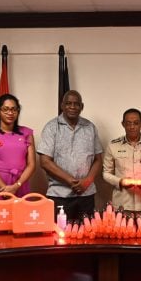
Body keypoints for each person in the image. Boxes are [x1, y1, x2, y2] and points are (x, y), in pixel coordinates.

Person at [37, 90, 103, 221]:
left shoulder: (90, 127)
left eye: (76, 104)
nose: (72, 107)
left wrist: (87, 182)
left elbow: (98, 159)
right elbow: (45, 162)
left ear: (81, 106)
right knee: (60, 237)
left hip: (86, 195)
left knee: (87, 236)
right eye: (68, 103)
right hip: (59, 195)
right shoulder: (51, 127)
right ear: (62, 105)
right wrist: (72, 182)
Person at [0, 94, 35, 200]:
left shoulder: (27, 133)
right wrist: (4, 189)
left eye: (14, 109)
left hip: (20, 185)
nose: (10, 113)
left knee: (21, 216)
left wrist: (16, 186)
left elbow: (31, 164)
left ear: (18, 112)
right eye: (6, 109)